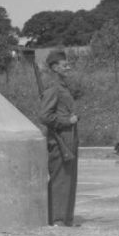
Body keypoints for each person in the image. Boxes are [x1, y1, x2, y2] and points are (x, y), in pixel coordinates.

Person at [38, 50, 79, 226]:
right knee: (60, 179)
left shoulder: (62, 86)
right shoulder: (54, 87)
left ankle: (66, 219)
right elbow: (44, 116)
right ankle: (57, 219)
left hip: (68, 138)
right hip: (59, 138)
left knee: (68, 178)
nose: (67, 67)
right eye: (64, 65)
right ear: (55, 68)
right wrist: (66, 121)